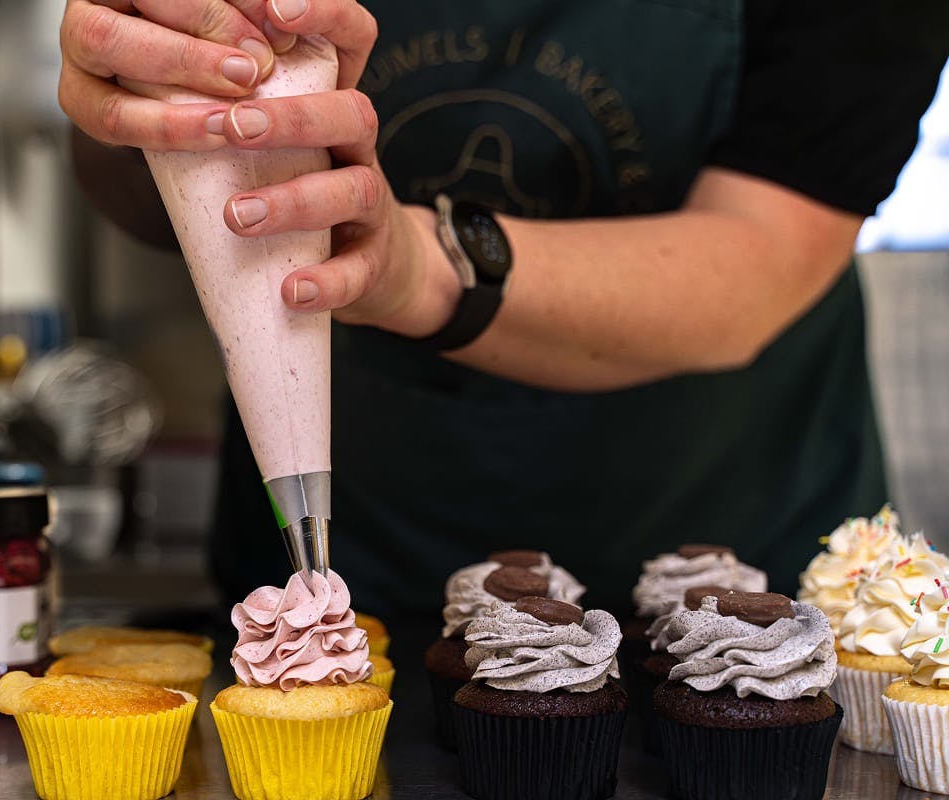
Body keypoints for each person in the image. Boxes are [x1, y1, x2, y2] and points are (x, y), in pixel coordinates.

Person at [59, 0, 948, 616]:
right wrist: (148, 99)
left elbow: (762, 259)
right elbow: (138, 193)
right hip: (345, 570)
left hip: (739, 576)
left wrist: (415, 269)